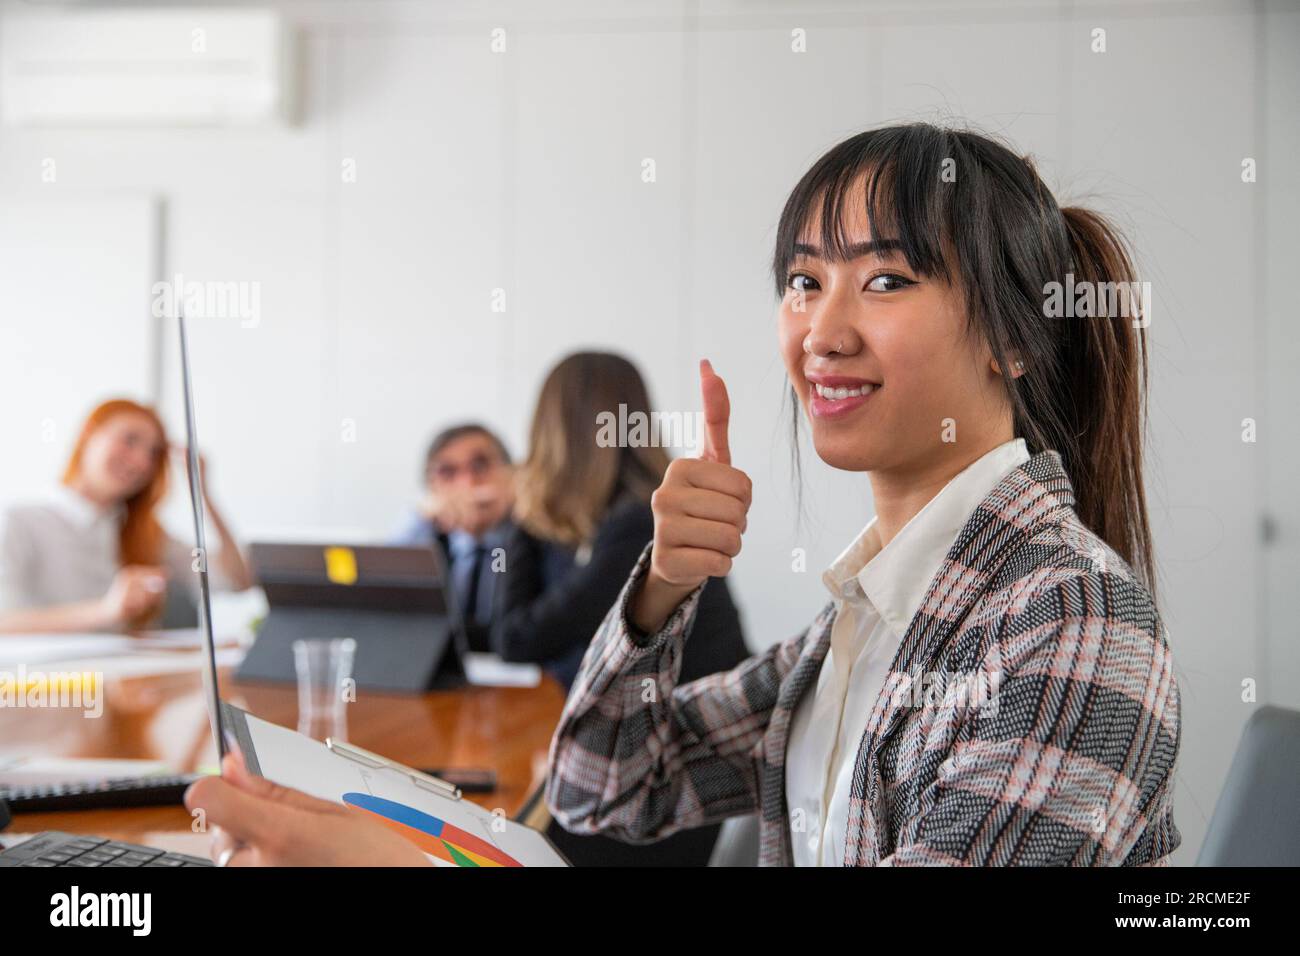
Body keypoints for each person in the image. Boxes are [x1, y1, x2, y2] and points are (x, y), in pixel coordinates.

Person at [186, 122, 1181, 867]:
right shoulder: (861, 623)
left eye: (883, 282)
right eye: (801, 279)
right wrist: (660, 586)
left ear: (1015, 338)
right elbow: (600, 786)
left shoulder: (1071, 617)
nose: (819, 330)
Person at [494, 351, 747, 693]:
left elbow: (516, 639)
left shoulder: (638, 525)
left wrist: (518, 509)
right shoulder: (604, 517)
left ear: (553, 431)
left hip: (702, 730)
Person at [0, 398, 251, 634]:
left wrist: (203, 495)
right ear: (88, 436)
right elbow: (5, 623)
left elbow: (235, 581)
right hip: (51, 678)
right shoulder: (19, 522)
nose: (142, 462)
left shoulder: (145, 534)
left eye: (153, 453)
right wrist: (105, 611)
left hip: (129, 677)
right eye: (130, 440)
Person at [391, 424, 514, 652]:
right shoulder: (425, 537)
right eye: (447, 472)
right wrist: (420, 517)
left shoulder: (531, 540)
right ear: (430, 486)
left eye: (480, 465)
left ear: (510, 474)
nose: (467, 484)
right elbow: (381, 596)